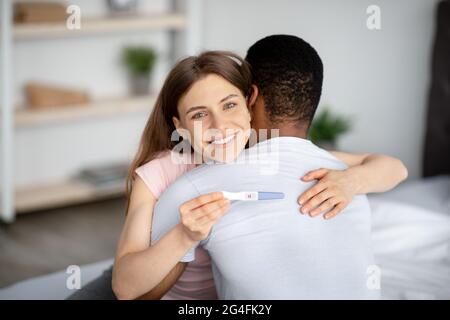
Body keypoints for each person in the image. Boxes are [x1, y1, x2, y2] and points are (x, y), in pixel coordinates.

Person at [68, 38, 407, 300]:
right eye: (200, 114)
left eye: (229, 105)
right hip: (152, 281)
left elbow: (392, 168)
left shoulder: (265, 154)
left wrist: (353, 181)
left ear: (249, 105)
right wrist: (185, 236)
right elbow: (128, 287)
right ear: (180, 127)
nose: (219, 125)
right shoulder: (161, 173)